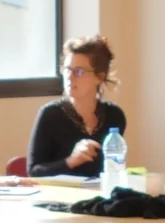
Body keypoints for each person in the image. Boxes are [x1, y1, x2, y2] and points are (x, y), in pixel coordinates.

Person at [25, 35, 127, 176]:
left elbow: (113, 169)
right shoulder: (51, 114)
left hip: (99, 196)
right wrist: (71, 161)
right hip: (58, 197)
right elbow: (34, 171)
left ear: (99, 77)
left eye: (79, 71)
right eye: (67, 69)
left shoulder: (114, 116)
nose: (70, 77)